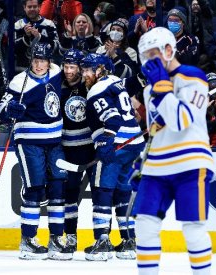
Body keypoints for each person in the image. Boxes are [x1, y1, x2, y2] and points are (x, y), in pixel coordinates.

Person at [133, 26, 215, 275]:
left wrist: (162, 88)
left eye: (154, 53)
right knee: (144, 225)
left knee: (193, 228)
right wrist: (142, 161)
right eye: (145, 55)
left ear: (169, 50)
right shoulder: (149, 90)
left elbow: (181, 121)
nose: (149, 60)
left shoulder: (193, 76)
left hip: (191, 162)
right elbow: (156, 130)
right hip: (156, 166)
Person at [0, 42, 73, 260]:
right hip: (30, 142)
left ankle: (56, 239)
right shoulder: (19, 82)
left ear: (49, 61)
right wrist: (9, 110)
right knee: (35, 190)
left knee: (58, 189)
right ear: (31, 60)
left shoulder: (57, 72)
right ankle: (28, 240)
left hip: (55, 142)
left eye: (43, 61)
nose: (39, 65)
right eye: (36, 61)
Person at [81, 53, 144, 261]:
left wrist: (107, 140)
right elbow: (134, 82)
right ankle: (129, 241)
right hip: (134, 144)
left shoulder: (97, 91)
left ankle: (102, 241)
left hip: (116, 146)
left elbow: (113, 118)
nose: (84, 74)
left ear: (100, 70)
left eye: (88, 70)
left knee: (102, 191)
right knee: (123, 192)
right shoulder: (115, 81)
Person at [59, 49, 93, 253]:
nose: (68, 70)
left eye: (72, 67)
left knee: (100, 194)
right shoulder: (58, 87)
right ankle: (71, 237)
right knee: (70, 195)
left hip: (90, 149)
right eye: (66, 66)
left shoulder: (89, 88)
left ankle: (102, 237)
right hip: (68, 151)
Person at [14, 0, 59, 72]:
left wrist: (39, 37)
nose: (32, 9)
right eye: (29, 7)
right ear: (24, 8)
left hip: (45, 69)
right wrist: (26, 37)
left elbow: (56, 47)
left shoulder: (49, 24)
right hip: (22, 69)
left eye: (34, 6)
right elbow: (13, 49)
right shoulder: (17, 25)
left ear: (39, 7)